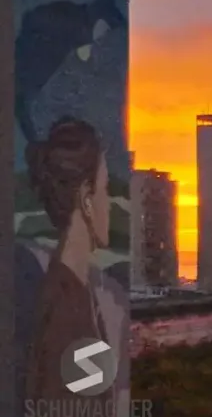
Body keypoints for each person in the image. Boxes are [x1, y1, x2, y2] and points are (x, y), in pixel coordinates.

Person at [24, 116, 119, 407]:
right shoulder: (65, 304)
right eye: (105, 189)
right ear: (87, 200)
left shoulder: (78, 290)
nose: (110, 203)